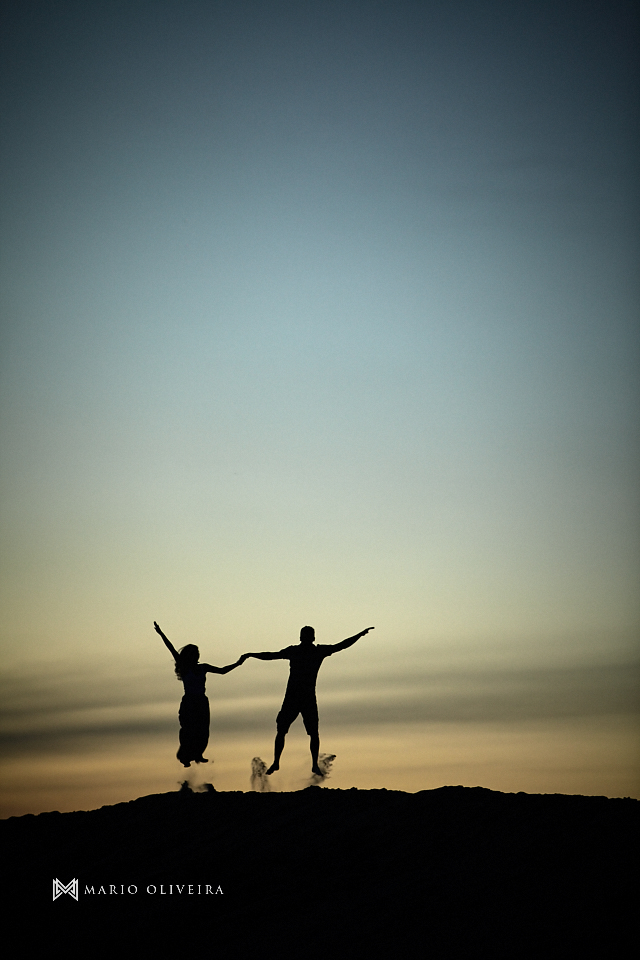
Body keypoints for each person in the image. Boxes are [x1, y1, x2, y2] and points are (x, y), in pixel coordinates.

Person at [241, 624, 374, 777]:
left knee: (304, 733)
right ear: (312, 637)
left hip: (301, 698)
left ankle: (306, 764)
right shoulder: (306, 651)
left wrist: (359, 635)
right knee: (288, 731)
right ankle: (282, 762)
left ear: (304, 637)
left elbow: (341, 645)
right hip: (297, 697)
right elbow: (271, 655)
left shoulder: (308, 651)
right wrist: (251, 654)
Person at [154, 621, 244, 768]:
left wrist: (238, 663)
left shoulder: (204, 667)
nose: (197, 656)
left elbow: (222, 671)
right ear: (190, 656)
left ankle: (198, 754)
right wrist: (160, 633)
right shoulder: (184, 667)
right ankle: (185, 757)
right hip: (189, 702)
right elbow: (171, 648)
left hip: (201, 701)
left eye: (197, 654)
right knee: (188, 729)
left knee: (203, 730)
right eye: (194, 654)